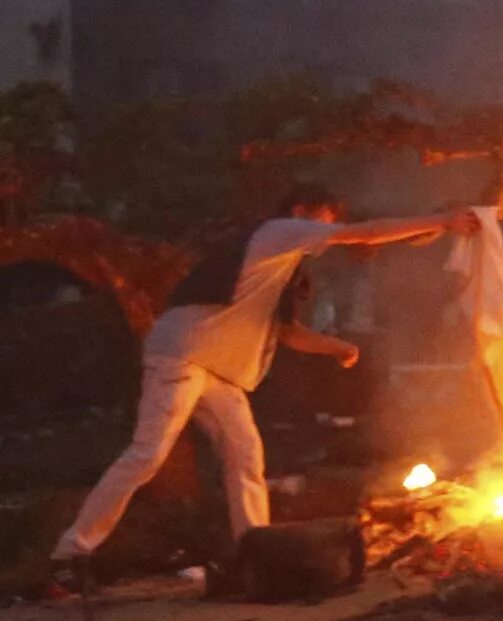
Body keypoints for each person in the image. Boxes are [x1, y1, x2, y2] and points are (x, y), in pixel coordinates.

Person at [52, 186, 463, 571]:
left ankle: (256, 553)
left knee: (246, 455)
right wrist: (443, 220)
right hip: (183, 354)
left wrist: (337, 348)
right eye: (325, 217)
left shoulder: (280, 268)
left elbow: (287, 333)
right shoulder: (279, 232)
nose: (327, 229)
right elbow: (364, 235)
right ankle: (72, 552)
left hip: (218, 369)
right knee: (148, 453)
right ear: (301, 212)